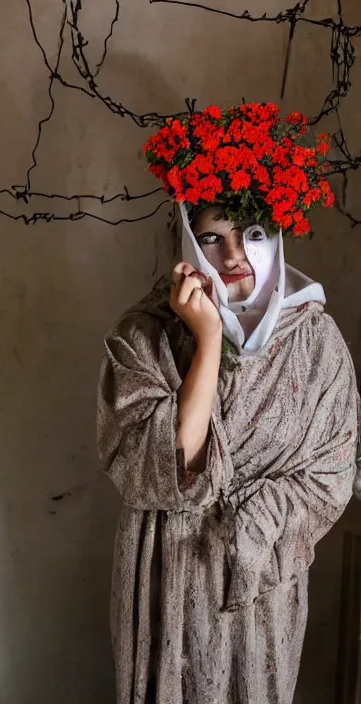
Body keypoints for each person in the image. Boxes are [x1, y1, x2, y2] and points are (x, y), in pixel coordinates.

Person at [97, 103, 359, 704]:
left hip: (261, 589)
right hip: (166, 575)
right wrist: (209, 337)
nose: (235, 256)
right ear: (189, 243)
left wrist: (255, 523)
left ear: (277, 235)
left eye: (252, 234)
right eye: (212, 238)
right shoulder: (147, 335)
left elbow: (332, 473)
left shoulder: (317, 344)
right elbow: (165, 468)